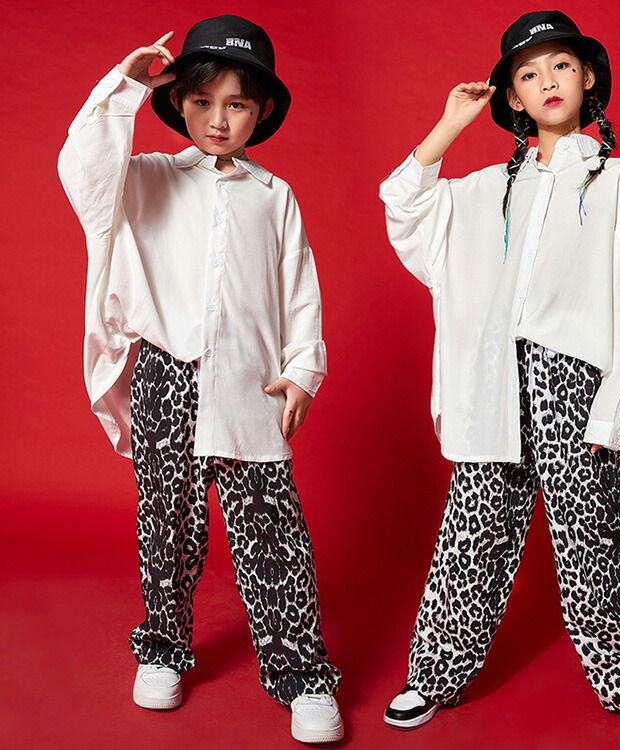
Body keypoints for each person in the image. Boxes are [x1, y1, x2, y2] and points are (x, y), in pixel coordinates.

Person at [378, 10, 620, 745]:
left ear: (588, 79)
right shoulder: (485, 189)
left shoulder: (615, 180)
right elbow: (404, 204)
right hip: (492, 377)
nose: (548, 81)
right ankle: (434, 673)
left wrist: (614, 411)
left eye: (562, 66)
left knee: (592, 531)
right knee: (473, 529)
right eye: (529, 72)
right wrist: (449, 125)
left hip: (574, 376)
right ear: (511, 96)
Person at [57, 15, 344, 744]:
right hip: (166, 375)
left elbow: (300, 288)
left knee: (272, 531)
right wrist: (123, 85)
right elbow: (82, 168)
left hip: (251, 381)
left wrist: (303, 368)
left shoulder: (274, 196)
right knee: (167, 523)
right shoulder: (145, 178)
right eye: (203, 101)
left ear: (262, 111)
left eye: (237, 104)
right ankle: (162, 649)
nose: (219, 119)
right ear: (179, 104)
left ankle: (303, 675)